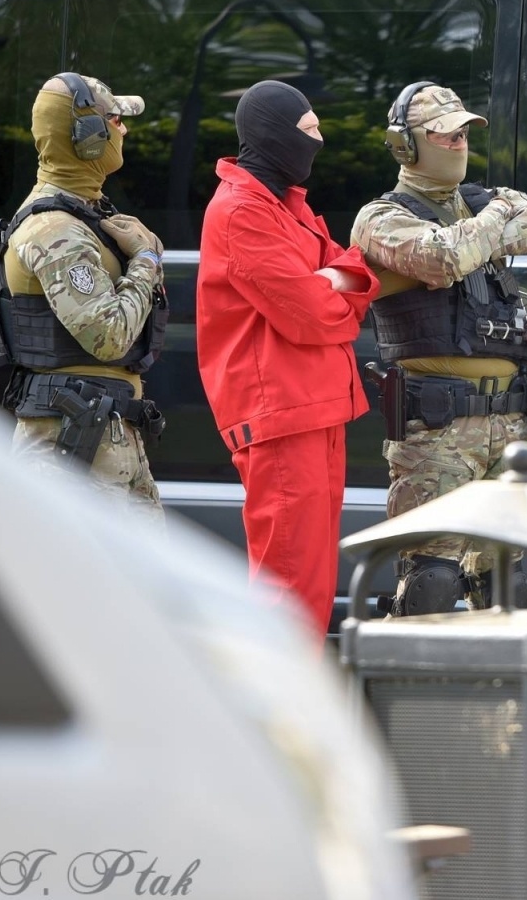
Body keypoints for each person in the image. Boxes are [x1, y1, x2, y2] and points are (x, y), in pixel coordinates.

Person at [351, 82, 527, 615]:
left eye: (463, 134)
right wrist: (499, 220)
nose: (458, 143)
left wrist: (482, 227)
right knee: (432, 580)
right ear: (406, 146)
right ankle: (412, 696)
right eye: (444, 135)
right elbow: (443, 260)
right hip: (437, 426)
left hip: (512, 418)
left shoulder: (477, 204)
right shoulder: (382, 218)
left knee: (512, 584)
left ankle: (504, 698)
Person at [196, 80, 380, 637]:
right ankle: (275, 719)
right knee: (288, 589)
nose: (318, 140)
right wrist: (335, 287)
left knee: (315, 584)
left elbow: (354, 271)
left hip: (316, 407)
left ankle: (298, 714)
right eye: (308, 130)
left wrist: (333, 283)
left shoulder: (285, 204)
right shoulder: (241, 212)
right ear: (275, 133)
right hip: (281, 413)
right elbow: (311, 313)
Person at [0, 73, 168, 518]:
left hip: (105, 431)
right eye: (114, 120)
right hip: (73, 447)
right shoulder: (55, 231)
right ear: (88, 137)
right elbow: (109, 335)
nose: (123, 130)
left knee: (139, 588)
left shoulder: (86, 216)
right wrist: (145, 259)